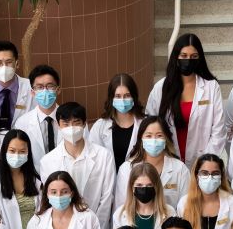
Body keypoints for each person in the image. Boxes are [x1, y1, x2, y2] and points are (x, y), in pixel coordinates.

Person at [145, 33, 224, 165]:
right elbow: (149, 123)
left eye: (194, 56)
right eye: (184, 56)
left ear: (200, 59)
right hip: (167, 160)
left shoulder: (211, 87)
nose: (188, 60)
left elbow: (218, 130)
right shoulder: (161, 88)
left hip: (202, 162)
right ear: (176, 57)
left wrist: (205, 163)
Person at [38, 102, 116, 229]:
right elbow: (51, 199)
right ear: (58, 125)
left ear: (85, 123)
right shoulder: (48, 161)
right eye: (66, 124)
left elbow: (107, 198)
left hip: (96, 228)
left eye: (76, 122)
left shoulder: (104, 156)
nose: (72, 128)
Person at [113, 115, 191, 213]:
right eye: (148, 136)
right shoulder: (127, 169)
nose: (154, 140)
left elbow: (186, 207)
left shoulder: (180, 169)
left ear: (166, 139)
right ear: (141, 139)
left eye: (159, 136)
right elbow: (121, 209)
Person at [0, 130, 42, 229]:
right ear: (4, 150)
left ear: (28, 153)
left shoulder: (36, 176)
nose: (17, 155)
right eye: (12, 151)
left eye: (22, 151)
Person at [111, 162, 175, 229]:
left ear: (156, 187)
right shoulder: (120, 215)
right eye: (139, 185)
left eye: (149, 185)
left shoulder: (170, 213)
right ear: (132, 187)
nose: (144, 189)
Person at [90, 73, 145, 169]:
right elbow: (93, 158)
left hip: (136, 180)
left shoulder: (144, 124)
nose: (123, 100)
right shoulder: (100, 126)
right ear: (111, 99)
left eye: (127, 95)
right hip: (108, 180)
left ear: (134, 97)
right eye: (118, 96)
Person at [14, 64, 63, 156]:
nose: (45, 91)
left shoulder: (72, 119)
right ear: (32, 92)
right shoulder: (22, 123)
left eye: (50, 86)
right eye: (39, 87)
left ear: (58, 90)